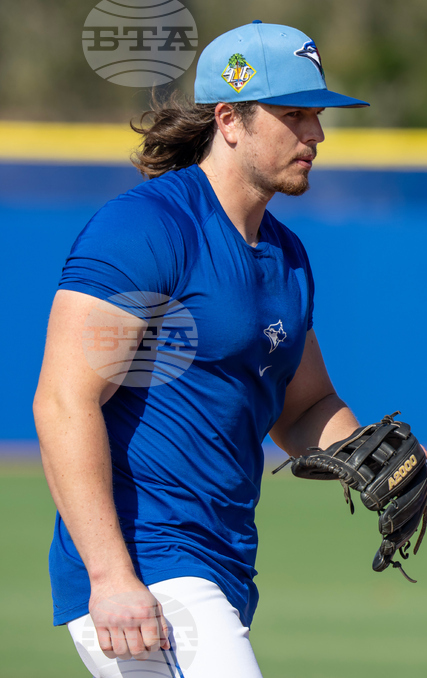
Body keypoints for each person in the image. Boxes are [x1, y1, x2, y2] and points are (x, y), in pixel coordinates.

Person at [34, 21, 371, 678]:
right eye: (294, 114)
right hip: (145, 565)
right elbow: (63, 402)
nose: (316, 134)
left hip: (219, 564)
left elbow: (305, 406)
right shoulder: (147, 227)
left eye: (318, 115)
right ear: (229, 120)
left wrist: (368, 457)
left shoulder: (286, 254)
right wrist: (110, 577)